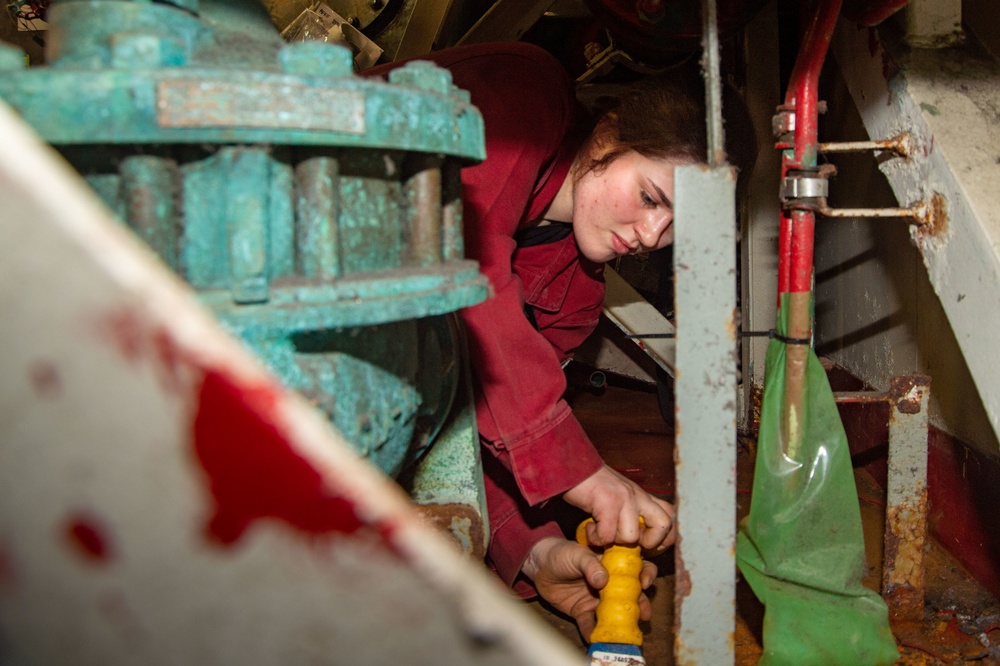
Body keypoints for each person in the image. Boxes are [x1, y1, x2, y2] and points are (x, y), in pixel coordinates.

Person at [366, 41, 756, 639]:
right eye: (652, 197)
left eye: (679, 226)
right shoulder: (524, 93)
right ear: (608, 136)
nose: (653, 235)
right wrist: (585, 474)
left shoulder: (574, 299)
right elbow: (462, 262)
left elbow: (477, 433)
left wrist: (536, 552)